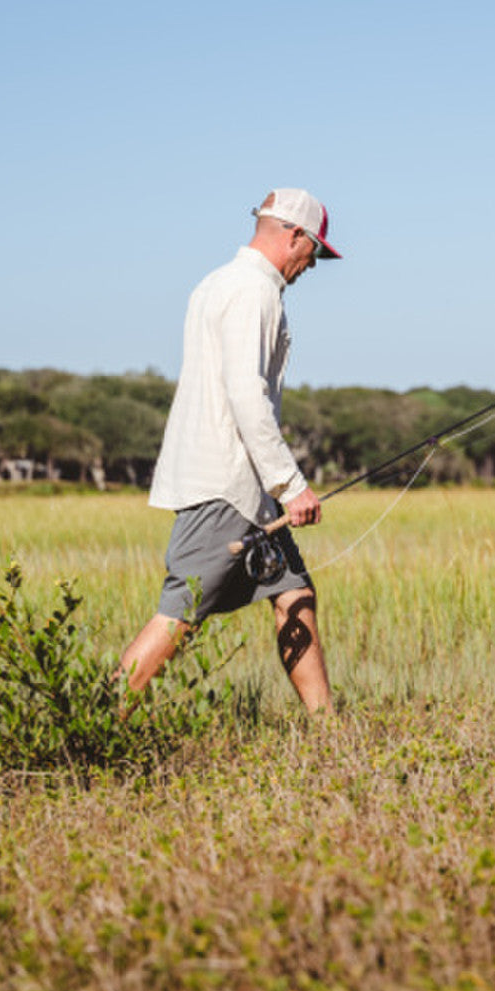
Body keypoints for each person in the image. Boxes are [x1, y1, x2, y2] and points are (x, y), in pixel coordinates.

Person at [119, 188, 341, 714]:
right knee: (180, 613)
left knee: (295, 596)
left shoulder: (218, 282)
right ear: (295, 237)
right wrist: (291, 486)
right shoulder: (254, 292)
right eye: (315, 252)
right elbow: (247, 395)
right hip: (227, 487)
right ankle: (91, 725)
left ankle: (330, 731)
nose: (313, 265)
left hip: (242, 487)